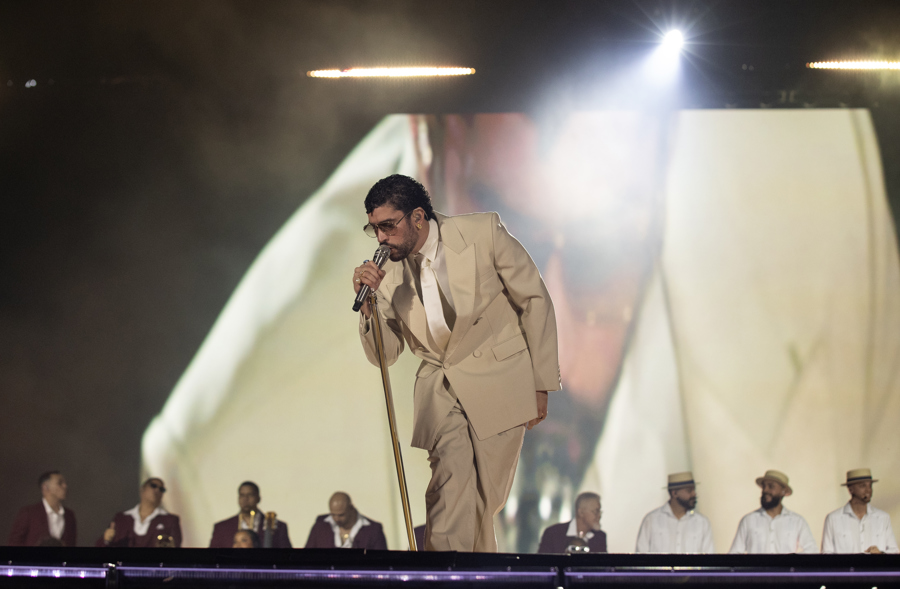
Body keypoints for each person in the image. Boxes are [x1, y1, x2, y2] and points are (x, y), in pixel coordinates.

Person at [354, 174, 560, 552]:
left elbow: (534, 299)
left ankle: (472, 577)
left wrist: (541, 381)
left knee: (482, 504)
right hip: (440, 388)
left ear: (417, 217)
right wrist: (368, 309)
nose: (381, 238)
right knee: (449, 490)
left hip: (499, 379)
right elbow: (385, 355)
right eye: (375, 229)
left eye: (388, 226)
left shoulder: (482, 232)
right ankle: (442, 575)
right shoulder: (385, 275)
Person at [729, 470, 816, 554]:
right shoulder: (748, 520)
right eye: (764, 486)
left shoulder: (797, 521)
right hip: (757, 570)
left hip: (785, 569)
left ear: (783, 491)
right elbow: (734, 554)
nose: (765, 490)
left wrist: (789, 561)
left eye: (771, 486)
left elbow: (812, 551)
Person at [822, 468, 898, 554]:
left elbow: (894, 551)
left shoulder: (882, 518)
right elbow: (826, 554)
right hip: (845, 567)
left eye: (870, 486)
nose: (868, 490)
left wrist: (880, 554)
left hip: (874, 567)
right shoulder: (833, 519)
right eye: (863, 486)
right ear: (850, 489)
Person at [635, 472, 714, 553]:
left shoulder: (702, 522)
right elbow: (641, 556)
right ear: (674, 493)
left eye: (694, 490)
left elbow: (709, 559)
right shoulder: (651, 520)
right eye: (689, 491)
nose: (694, 494)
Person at [97, 478, 182, 548]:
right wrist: (106, 540)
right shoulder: (121, 518)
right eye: (153, 486)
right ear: (142, 489)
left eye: (161, 489)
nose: (157, 490)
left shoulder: (170, 521)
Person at [209, 481, 291, 548]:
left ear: (258, 498)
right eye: (242, 495)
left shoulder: (279, 527)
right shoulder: (221, 528)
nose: (245, 499)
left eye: (250, 495)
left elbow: (286, 557)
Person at [7, 471, 77, 547]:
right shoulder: (29, 513)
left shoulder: (69, 515)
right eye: (60, 483)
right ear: (45, 487)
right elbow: (14, 544)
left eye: (64, 483)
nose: (65, 486)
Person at [305, 492, 387, 549]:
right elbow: (306, 556)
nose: (336, 519)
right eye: (333, 514)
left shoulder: (373, 530)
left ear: (351, 508)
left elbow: (381, 562)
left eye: (341, 515)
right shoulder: (321, 525)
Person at [537, 492, 607, 553]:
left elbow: (603, 566)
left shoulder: (600, 537)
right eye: (596, 511)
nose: (599, 515)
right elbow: (541, 565)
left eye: (600, 511)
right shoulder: (553, 534)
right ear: (581, 512)